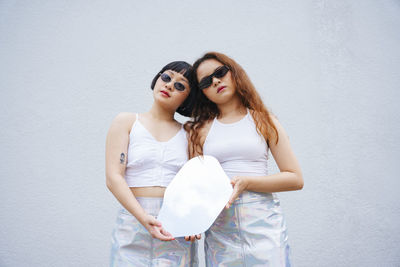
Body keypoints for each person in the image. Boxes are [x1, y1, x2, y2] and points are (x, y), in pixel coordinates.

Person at [185, 52, 303, 266]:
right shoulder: (199, 130)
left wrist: (248, 182)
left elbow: (295, 178)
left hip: (264, 225)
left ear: (234, 72)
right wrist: (190, 220)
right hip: (220, 230)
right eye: (206, 82)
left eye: (220, 73)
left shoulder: (264, 120)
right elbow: (195, 186)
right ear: (203, 93)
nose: (216, 81)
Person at [106, 61, 199, 266]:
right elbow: (114, 177)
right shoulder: (126, 121)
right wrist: (143, 217)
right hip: (133, 221)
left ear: (188, 98)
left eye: (180, 85)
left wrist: (195, 219)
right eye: (166, 77)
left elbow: (196, 183)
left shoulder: (190, 133)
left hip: (175, 226)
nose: (169, 85)